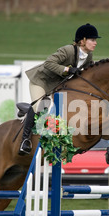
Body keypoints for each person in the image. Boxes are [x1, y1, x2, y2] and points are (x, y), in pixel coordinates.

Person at [18, 23, 101, 155]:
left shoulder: (89, 56)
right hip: (41, 81)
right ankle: (25, 141)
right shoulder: (68, 50)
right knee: (41, 108)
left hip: (57, 87)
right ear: (83, 41)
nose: (95, 43)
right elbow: (49, 63)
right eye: (92, 40)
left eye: (95, 40)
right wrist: (67, 69)